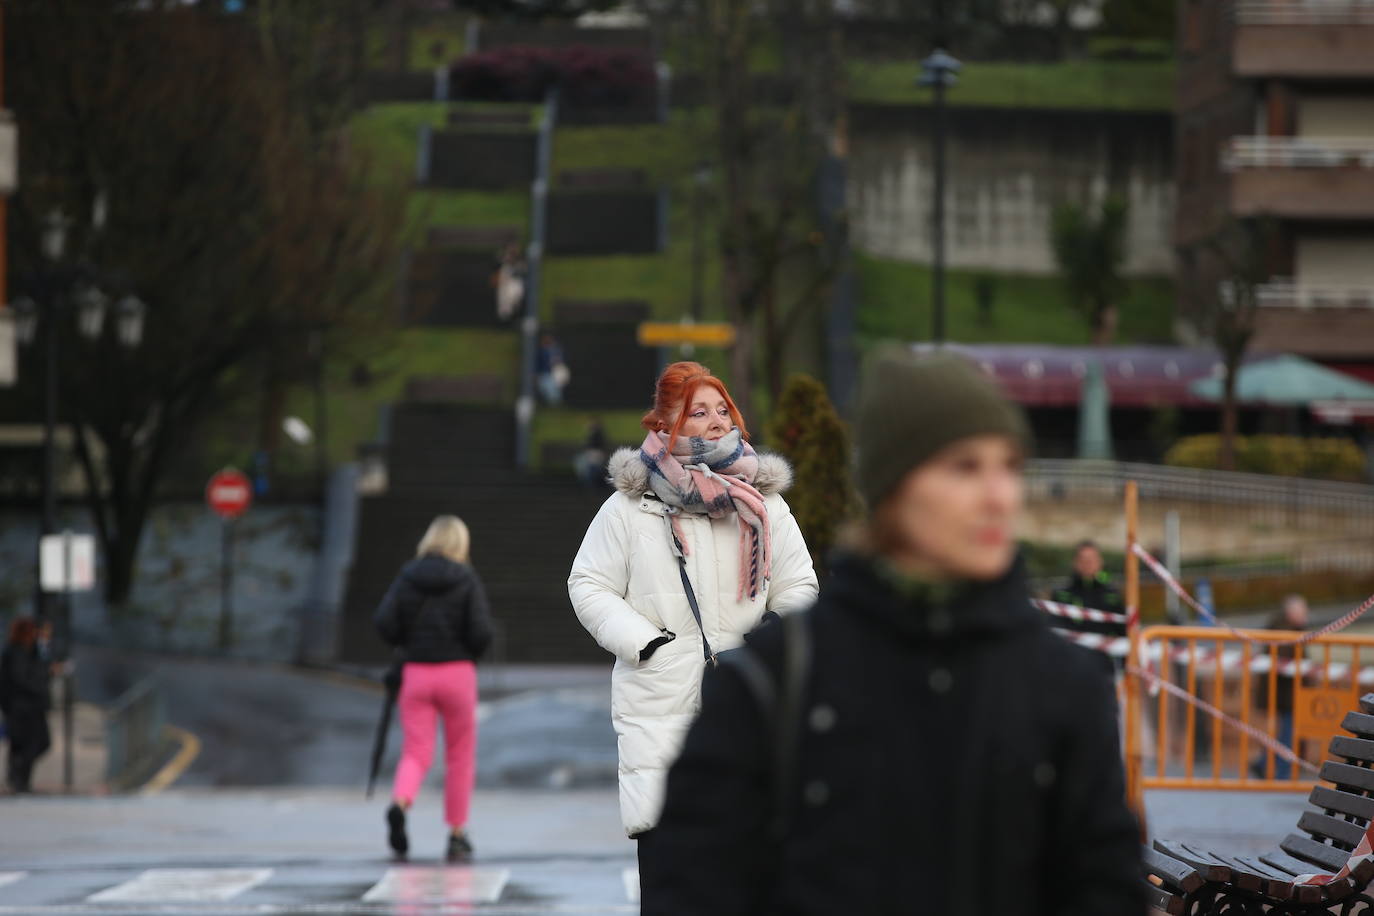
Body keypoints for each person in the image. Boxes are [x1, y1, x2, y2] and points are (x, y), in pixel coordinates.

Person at [642, 350, 1143, 915]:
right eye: (964, 467)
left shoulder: (1065, 686)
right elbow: (693, 887)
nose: (999, 496)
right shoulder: (774, 682)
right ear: (894, 488)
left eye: (1009, 467)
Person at [567, 361, 819, 872]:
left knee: (746, 881)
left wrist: (771, 640)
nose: (716, 421)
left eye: (722, 410)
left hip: (747, 701)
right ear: (666, 426)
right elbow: (588, 583)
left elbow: (799, 586)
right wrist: (647, 643)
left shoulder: (764, 504)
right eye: (698, 412)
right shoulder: (630, 506)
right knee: (672, 878)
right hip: (662, 702)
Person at [374, 515, 493, 862]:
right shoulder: (466, 578)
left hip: (417, 673)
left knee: (416, 751)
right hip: (457, 673)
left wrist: (406, 642)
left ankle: (400, 803)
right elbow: (482, 631)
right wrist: (468, 652)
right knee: (459, 756)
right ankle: (456, 833)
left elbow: (384, 622)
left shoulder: (407, 576)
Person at [1251, 594, 1309, 780]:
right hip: (1284, 692)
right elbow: (1286, 661)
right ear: (1291, 612)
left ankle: (1265, 764)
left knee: (1283, 732)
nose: (1305, 615)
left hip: (1283, 691)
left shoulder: (1288, 628)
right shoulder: (1284, 630)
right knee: (1287, 733)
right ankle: (1281, 771)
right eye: (1302, 611)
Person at [0, 617, 53, 794]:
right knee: (26, 744)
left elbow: (41, 667)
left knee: (34, 744)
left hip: (32, 706)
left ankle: (18, 777)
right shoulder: (15, 652)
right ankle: (18, 779)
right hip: (21, 707)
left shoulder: (32, 651)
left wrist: (44, 645)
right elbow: (21, 678)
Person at [574, 415, 609, 489]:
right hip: (591, 455)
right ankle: (587, 484)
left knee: (587, 464)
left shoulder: (598, 434)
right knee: (581, 461)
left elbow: (596, 447)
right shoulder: (592, 434)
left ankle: (589, 485)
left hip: (596, 455)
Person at [535, 334, 568, 406]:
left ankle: (555, 406)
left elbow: (560, 363)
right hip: (544, 374)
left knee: (554, 393)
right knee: (545, 391)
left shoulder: (556, 350)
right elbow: (538, 364)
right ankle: (550, 406)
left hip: (554, 374)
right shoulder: (541, 351)